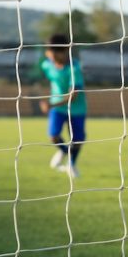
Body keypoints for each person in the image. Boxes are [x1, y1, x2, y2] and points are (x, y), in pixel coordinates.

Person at [39, 34, 86, 179]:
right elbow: (52, 79)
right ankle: (65, 151)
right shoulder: (47, 65)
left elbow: (74, 95)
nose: (49, 55)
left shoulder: (74, 67)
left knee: (77, 140)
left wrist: (51, 104)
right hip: (58, 108)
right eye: (48, 52)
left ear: (64, 52)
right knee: (53, 135)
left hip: (76, 108)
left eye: (52, 52)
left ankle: (71, 164)